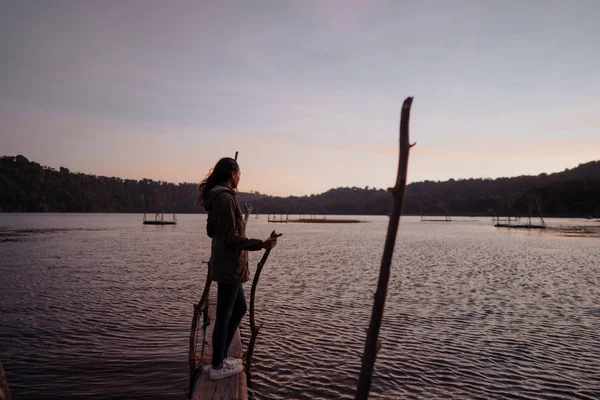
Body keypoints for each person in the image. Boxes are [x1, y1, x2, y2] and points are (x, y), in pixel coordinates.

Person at [198, 157, 277, 380]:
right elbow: (231, 238)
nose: (240, 177)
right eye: (239, 173)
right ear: (233, 174)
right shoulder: (224, 199)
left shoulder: (220, 198)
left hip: (228, 264)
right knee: (224, 316)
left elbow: (212, 231)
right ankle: (217, 366)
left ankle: (219, 359)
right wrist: (259, 244)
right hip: (229, 265)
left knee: (239, 309)